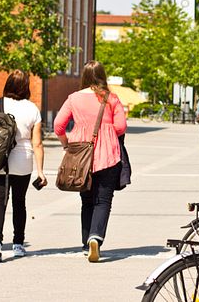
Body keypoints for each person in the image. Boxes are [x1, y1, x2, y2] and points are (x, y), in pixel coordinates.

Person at [54, 61, 127, 262]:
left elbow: (58, 125)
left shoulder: (73, 98)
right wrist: (106, 129)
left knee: (86, 201)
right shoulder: (111, 98)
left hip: (80, 156)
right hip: (108, 156)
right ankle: (96, 237)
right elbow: (121, 127)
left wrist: (67, 144)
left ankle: (87, 242)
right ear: (103, 75)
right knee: (103, 200)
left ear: (84, 77)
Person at [0, 70, 47, 262]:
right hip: (22, 161)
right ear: (26, 87)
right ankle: (18, 244)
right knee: (19, 202)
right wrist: (41, 171)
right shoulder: (32, 109)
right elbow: (37, 143)